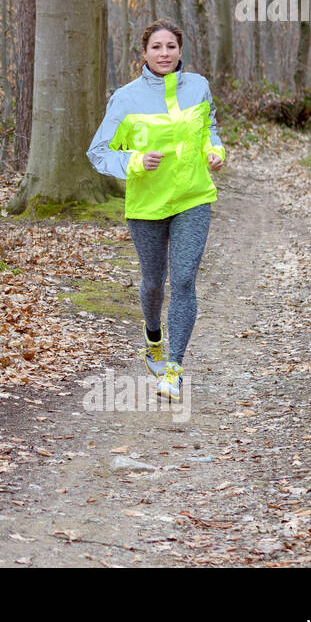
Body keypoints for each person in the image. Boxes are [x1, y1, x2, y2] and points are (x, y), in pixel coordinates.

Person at [85, 21, 226, 402]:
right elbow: (99, 152)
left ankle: (174, 371)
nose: (164, 53)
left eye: (171, 46)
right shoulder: (126, 98)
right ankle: (153, 338)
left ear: (180, 50)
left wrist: (216, 151)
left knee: (182, 282)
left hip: (193, 198)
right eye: (156, 47)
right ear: (144, 54)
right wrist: (134, 160)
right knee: (153, 282)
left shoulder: (198, 87)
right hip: (146, 205)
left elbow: (209, 128)